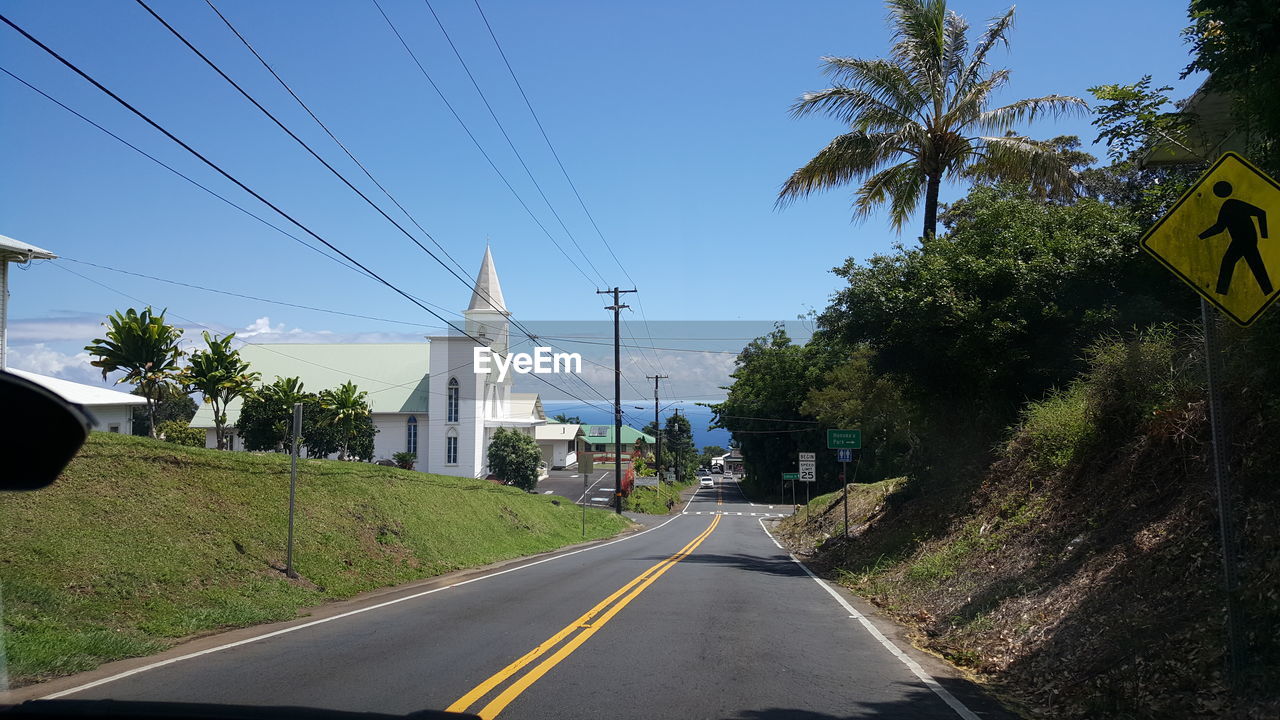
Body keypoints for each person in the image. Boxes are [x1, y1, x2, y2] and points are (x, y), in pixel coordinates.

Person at [1199, 180, 1272, 295]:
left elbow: (1261, 213)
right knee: (1254, 265)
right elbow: (1220, 227)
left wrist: (1265, 236)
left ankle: (1221, 293)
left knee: (1230, 262)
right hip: (1243, 240)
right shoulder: (1228, 205)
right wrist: (1200, 237)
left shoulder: (1232, 204)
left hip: (1244, 240)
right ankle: (1268, 291)